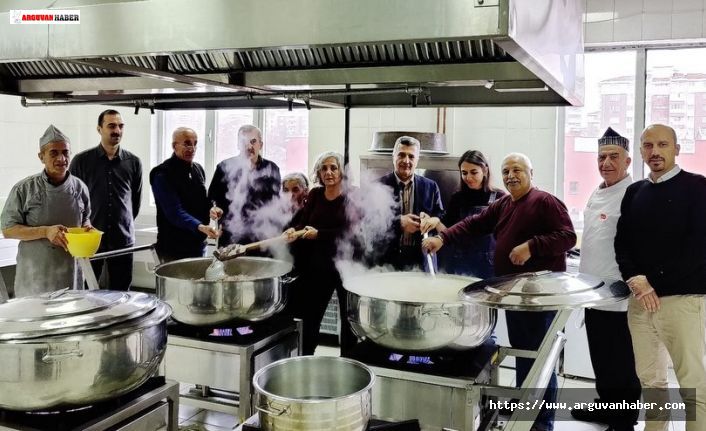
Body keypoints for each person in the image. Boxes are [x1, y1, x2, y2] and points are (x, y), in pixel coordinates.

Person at [422, 153, 576, 431]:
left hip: (539, 298)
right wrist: (442, 238)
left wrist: (531, 246)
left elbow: (568, 236)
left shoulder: (544, 201)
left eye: (517, 170)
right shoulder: (505, 204)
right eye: (506, 171)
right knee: (524, 355)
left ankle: (542, 424)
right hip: (515, 295)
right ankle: (526, 409)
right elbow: (474, 223)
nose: (510, 176)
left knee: (540, 360)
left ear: (531, 173)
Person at [615, 123, 706, 431]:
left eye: (663, 145)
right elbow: (622, 242)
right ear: (641, 151)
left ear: (676, 149)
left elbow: (699, 248)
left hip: (683, 300)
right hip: (641, 302)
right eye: (648, 145)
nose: (655, 151)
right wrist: (634, 278)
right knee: (651, 383)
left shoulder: (697, 187)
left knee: (693, 386)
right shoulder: (634, 192)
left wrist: (651, 281)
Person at [570, 127, 640, 430]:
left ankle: (624, 420)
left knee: (621, 363)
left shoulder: (634, 194)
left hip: (620, 297)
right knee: (601, 359)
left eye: (613, 156)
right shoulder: (598, 191)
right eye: (601, 157)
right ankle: (606, 407)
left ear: (627, 161)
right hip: (593, 292)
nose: (606, 162)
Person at [283, 152, 360, 356]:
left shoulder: (352, 195)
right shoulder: (316, 194)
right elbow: (304, 223)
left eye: (333, 168)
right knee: (311, 317)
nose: (328, 172)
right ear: (318, 173)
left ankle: (348, 362)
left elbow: (351, 232)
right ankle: (305, 358)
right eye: (324, 168)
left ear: (342, 172)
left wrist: (319, 234)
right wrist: (294, 231)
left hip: (346, 267)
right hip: (319, 266)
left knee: (349, 320)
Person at [1, 125, 91, 297]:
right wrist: (45, 231)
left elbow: (85, 219)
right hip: (35, 277)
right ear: (41, 157)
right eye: (54, 153)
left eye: (65, 152)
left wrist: (87, 228)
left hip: (71, 274)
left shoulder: (80, 188)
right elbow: (8, 229)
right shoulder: (24, 189)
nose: (61, 158)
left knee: (71, 311)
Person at [69, 109, 142, 290]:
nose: (117, 130)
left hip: (122, 240)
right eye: (111, 126)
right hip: (90, 239)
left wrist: (124, 223)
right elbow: (73, 200)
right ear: (99, 129)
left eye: (120, 126)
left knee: (122, 292)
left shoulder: (133, 162)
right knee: (87, 291)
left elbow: (135, 201)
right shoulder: (81, 161)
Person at [420, 150, 505, 278]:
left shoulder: (500, 197)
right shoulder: (457, 198)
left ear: (485, 171)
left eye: (474, 172)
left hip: (488, 265)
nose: (468, 178)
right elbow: (447, 231)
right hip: (460, 263)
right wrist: (435, 221)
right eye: (464, 173)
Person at [150, 127, 221, 262]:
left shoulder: (198, 169)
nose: (192, 148)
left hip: (198, 245)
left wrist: (212, 209)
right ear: (174, 146)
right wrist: (200, 226)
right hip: (173, 248)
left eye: (195, 144)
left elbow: (202, 201)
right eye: (187, 144)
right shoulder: (162, 174)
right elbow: (174, 212)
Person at [208, 125, 281, 248]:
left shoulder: (272, 169)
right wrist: (215, 209)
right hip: (231, 235)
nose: (249, 147)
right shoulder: (224, 167)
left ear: (261, 145)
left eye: (253, 141)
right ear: (238, 145)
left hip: (262, 236)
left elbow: (276, 202)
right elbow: (213, 198)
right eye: (244, 142)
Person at [378, 136, 443, 271]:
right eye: (401, 155)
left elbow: (441, 216)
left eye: (411, 156)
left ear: (417, 160)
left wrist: (434, 220)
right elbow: (367, 223)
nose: (406, 161)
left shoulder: (431, 187)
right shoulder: (378, 186)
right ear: (393, 157)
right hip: (387, 262)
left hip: (422, 260)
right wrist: (398, 223)